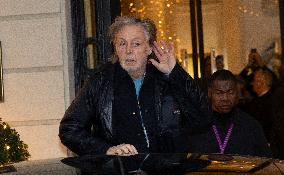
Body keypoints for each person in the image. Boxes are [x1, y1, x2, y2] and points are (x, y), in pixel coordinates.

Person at [59, 16, 210, 156]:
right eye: (122, 43)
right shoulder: (100, 82)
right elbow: (69, 130)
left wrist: (175, 73)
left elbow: (203, 120)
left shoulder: (167, 79)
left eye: (136, 44)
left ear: (149, 48)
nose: (128, 50)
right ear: (116, 48)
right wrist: (106, 150)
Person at [188, 70, 272, 157]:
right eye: (219, 93)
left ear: (237, 93)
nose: (225, 98)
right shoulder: (195, 124)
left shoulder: (250, 126)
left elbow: (266, 161)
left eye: (230, 92)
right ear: (210, 93)